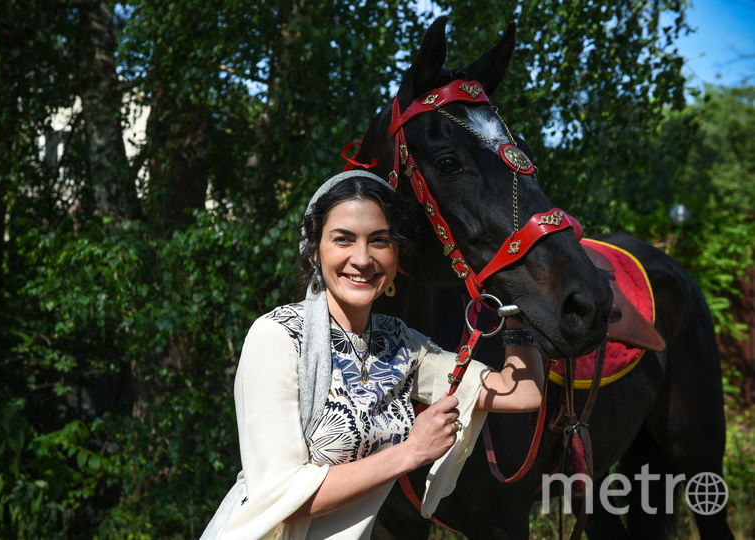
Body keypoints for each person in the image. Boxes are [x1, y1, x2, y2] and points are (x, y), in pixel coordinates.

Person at [201, 171, 544, 539]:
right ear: (315, 249)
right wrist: (410, 451)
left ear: (397, 256)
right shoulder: (278, 336)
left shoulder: (398, 342)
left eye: (379, 241)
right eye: (343, 240)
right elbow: (281, 496)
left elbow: (521, 391)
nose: (362, 259)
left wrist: (516, 300)